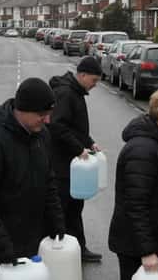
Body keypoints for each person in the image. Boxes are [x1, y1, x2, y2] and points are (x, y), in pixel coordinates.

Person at [0, 77, 66, 280]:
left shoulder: (41, 136)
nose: (47, 120)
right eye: (41, 114)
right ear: (22, 109)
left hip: (27, 243)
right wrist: (2, 245)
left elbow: (48, 181)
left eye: (49, 114)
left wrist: (57, 221)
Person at [109, 88, 158, 280]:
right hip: (137, 247)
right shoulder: (143, 150)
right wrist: (147, 251)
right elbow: (135, 205)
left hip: (146, 242)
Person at [48, 56, 104, 262]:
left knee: (74, 207)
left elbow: (74, 128)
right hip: (62, 164)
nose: (95, 85)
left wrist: (89, 143)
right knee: (63, 208)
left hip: (71, 164)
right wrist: (78, 148)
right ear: (82, 75)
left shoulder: (76, 92)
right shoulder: (65, 93)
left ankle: (78, 249)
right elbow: (57, 126)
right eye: (94, 80)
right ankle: (61, 252)